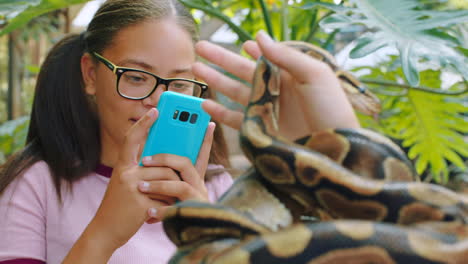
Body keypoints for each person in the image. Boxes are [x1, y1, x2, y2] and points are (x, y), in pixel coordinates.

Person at [0, 1, 359, 263]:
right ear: (91, 75)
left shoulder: (221, 190)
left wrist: (209, 234)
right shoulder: (37, 185)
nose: (156, 103)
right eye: (136, 77)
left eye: (180, 85)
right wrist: (104, 233)